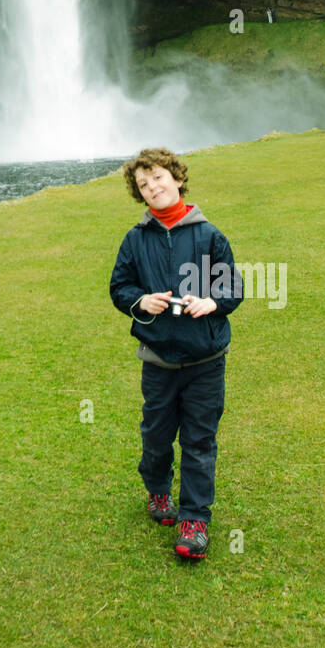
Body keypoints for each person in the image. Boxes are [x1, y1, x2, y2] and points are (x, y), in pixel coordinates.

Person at [109, 147, 243, 561]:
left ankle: (195, 520)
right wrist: (140, 301)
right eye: (143, 185)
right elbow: (120, 287)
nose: (153, 187)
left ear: (178, 178)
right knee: (156, 436)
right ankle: (157, 491)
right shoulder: (135, 239)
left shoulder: (209, 235)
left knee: (200, 439)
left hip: (205, 359)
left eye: (158, 178)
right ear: (140, 195)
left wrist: (213, 302)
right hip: (159, 360)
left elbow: (231, 288)